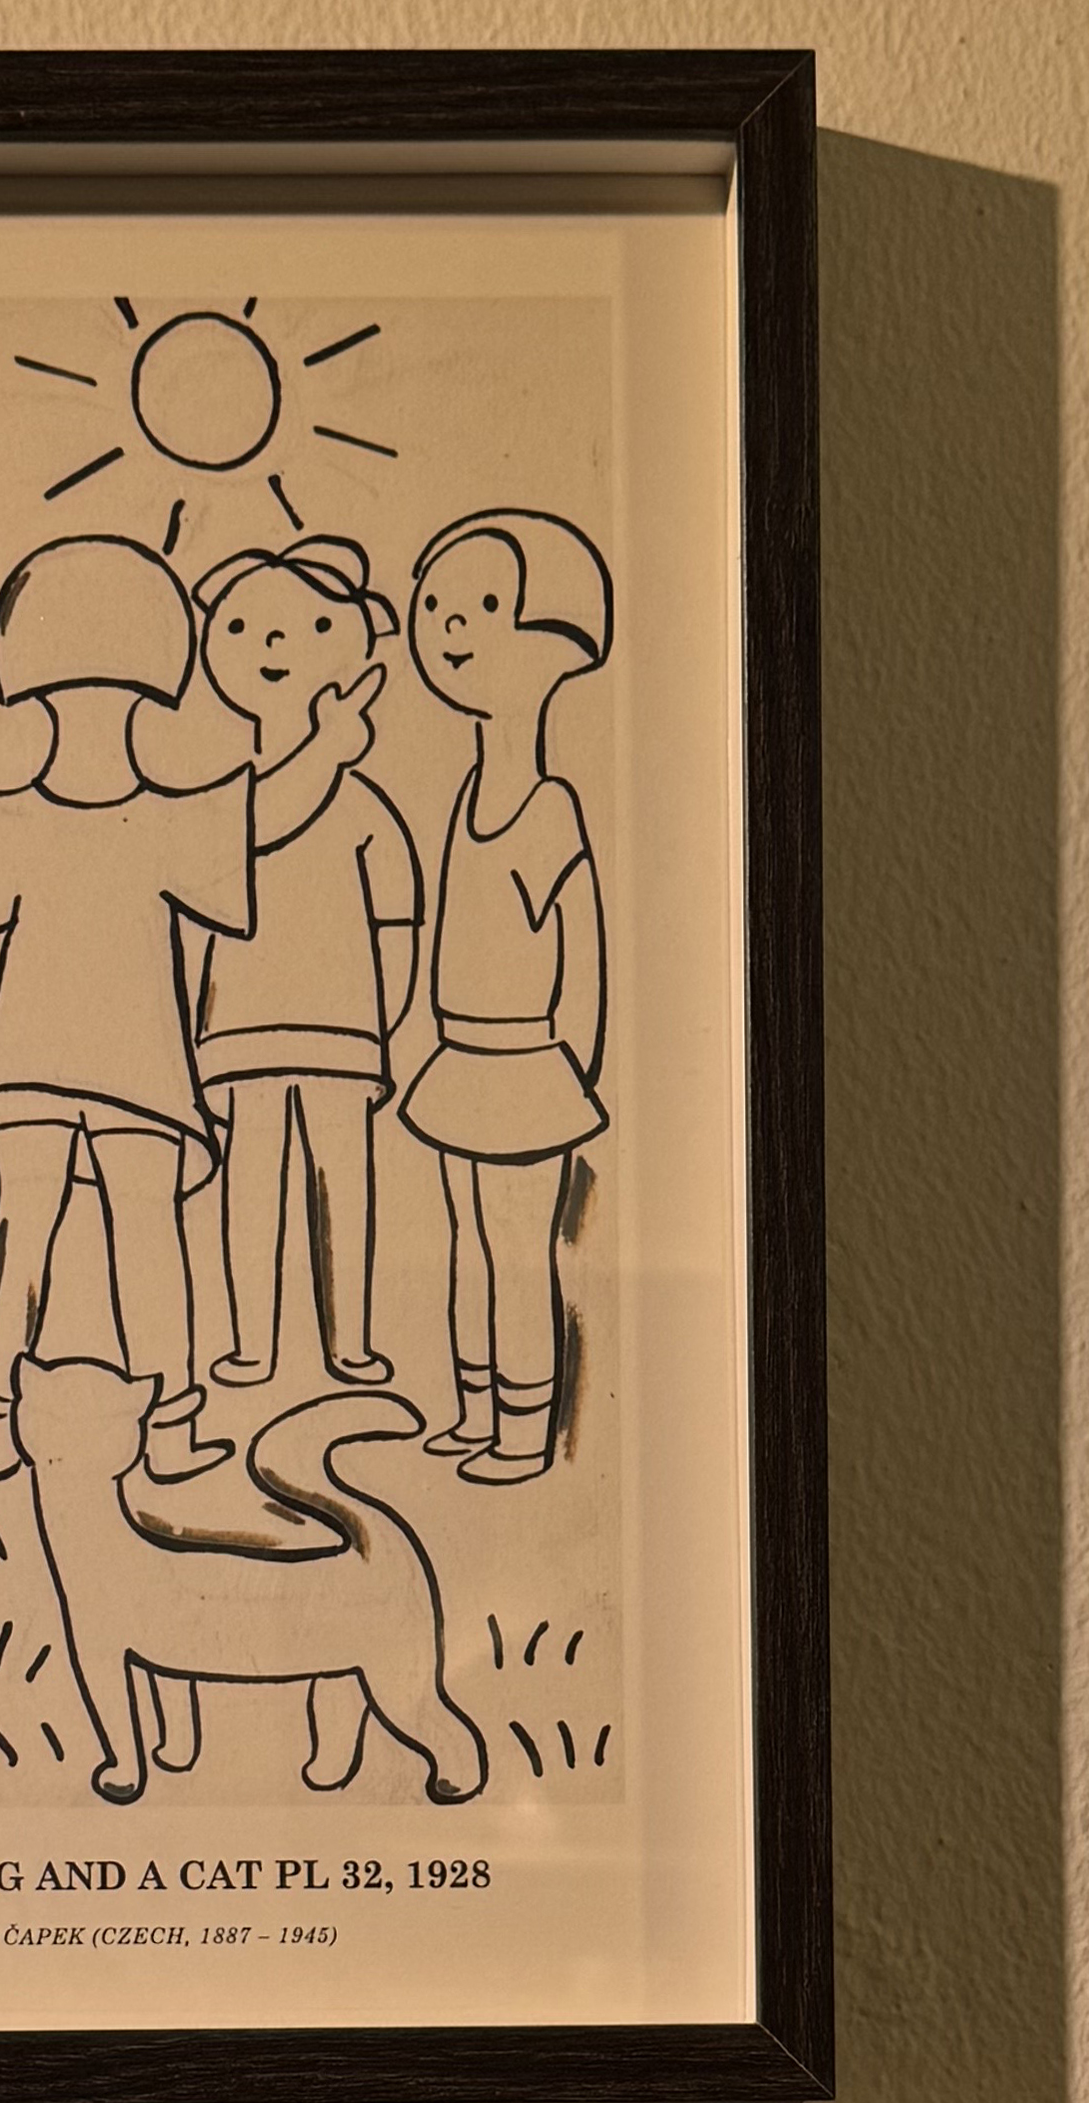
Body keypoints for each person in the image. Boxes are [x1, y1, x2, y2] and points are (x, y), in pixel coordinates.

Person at [0, 532, 379, 1484]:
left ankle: (62, 1423)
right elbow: (255, 821)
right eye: (72, 699)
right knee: (103, 1227)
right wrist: (327, 751)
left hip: (84, 1065)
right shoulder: (117, 815)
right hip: (91, 1066)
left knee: (64, 1225)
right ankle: (117, 1425)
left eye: (107, 699)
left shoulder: (89, 814)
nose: (89, 719)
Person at [400, 509, 613, 1486]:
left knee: (518, 1252)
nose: (449, 626)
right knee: (467, 1243)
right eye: (438, 606)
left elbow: (584, 952)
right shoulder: (464, 794)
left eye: (483, 604)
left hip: (527, 1064)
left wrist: (569, 1072)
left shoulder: (548, 805)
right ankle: (475, 1408)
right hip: (461, 1057)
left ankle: (523, 1433)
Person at [187, 537, 420, 1390]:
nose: (276, 644)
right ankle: (252, 1345)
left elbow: (396, 910)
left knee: (340, 1180)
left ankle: (347, 1342)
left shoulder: (362, 802)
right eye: (246, 626)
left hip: (343, 1025)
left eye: (315, 627)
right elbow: (222, 864)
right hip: (242, 1022)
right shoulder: (225, 790)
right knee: (251, 1180)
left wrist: (387, 1009)